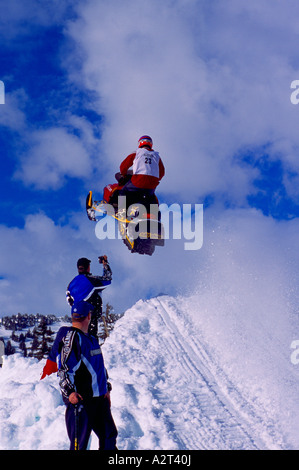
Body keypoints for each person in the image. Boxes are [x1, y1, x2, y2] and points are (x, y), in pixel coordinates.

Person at [58, 300, 118, 450]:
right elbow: (65, 370)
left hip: (100, 400)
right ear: (88, 316)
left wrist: (106, 389)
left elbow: (99, 367)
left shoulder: (91, 339)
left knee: (109, 436)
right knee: (80, 445)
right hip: (82, 402)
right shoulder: (73, 339)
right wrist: (70, 393)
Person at [66, 256, 112, 338]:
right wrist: (105, 264)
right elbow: (107, 279)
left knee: (79, 342)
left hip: (76, 320)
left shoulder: (71, 284)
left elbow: (69, 301)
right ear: (88, 267)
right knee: (91, 342)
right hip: (89, 319)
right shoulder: (91, 280)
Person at [118, 135, 165, 208]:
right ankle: (153, 215)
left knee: (123, 192)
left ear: (140, 143)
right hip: (152, 185)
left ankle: (121, 212)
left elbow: (123, 166)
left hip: (138, 181)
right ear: (151, 144)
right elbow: (162, 172)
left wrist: (123, 175)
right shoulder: (157, 156)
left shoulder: (137, 152)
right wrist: (154, 180)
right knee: (151, 197)